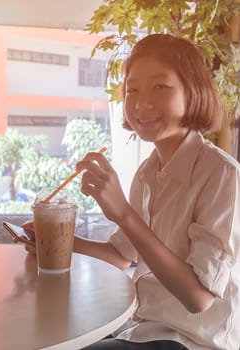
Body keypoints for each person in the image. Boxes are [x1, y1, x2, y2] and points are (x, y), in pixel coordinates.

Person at [24, 34, 240, 350]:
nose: (141, 104)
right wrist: (57, 240)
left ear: (192, 92)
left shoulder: (222, 174)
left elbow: (198, 298)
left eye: (160, 87)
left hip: (191, 341)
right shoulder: (148, 171)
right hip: (142, 330)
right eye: (132, 90)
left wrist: (123, 213)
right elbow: (122, 256)